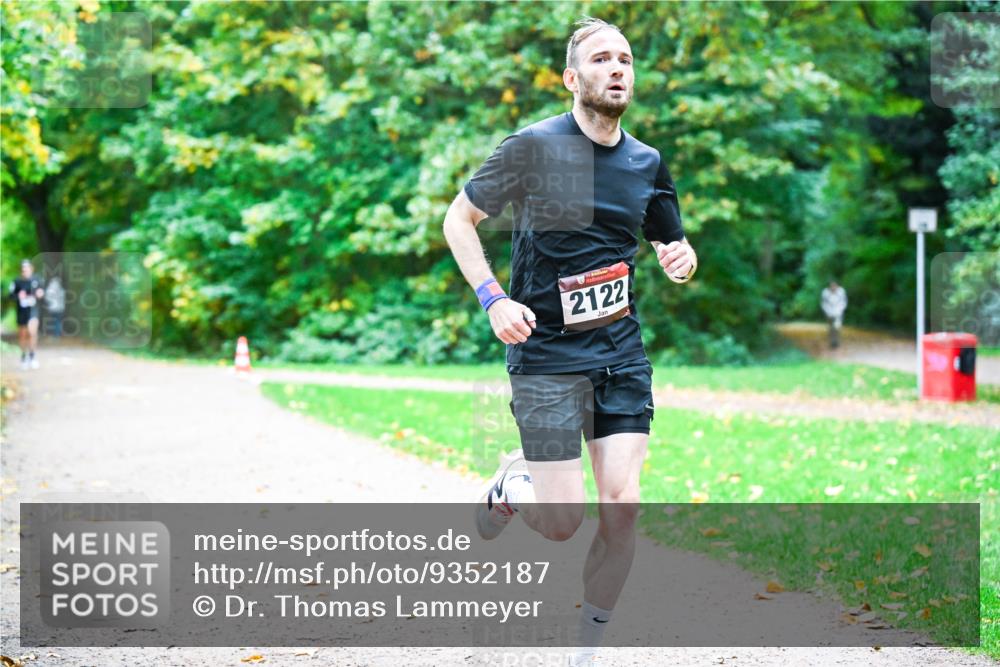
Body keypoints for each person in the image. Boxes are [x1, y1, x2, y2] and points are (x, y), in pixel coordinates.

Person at [442, 17, 697, 666]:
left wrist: (680, 256)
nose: (618, 68)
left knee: (623, 507)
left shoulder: (646, 162)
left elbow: (672, 237)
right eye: (602, 59)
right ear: (572, 78)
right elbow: (459, 220)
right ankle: (510, 483)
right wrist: (493, 298)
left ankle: (584, 650)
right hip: (547, 359)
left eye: (627, 59)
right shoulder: (531, 147)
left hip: (619, 356)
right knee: (560, 523)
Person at [9, 259, 46, 369]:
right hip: (21, 312)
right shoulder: (16, 281)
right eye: (23, 269)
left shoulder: (37, 279)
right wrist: (18, 296)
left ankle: (32, 356)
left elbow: (42, 292)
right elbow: (10, 296)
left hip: (33, 310)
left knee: (32, 331)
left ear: (31, 268)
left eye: (27, 268)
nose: (25, 270)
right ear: (21, 270)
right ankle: (24, 357)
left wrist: (40, 294)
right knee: (23, 335)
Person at [821, 280, 847, 349]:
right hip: (829, 313)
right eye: (832, 286)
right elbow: (824, 304)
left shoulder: (841, 291)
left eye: (834, 286)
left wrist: (840, 310)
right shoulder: (825, 293)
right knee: (831, 328)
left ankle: (836, 341)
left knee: (837, 327)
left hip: (838, 313)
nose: (833, 287)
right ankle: (831, 341)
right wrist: (827, 312)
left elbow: (843, 302)